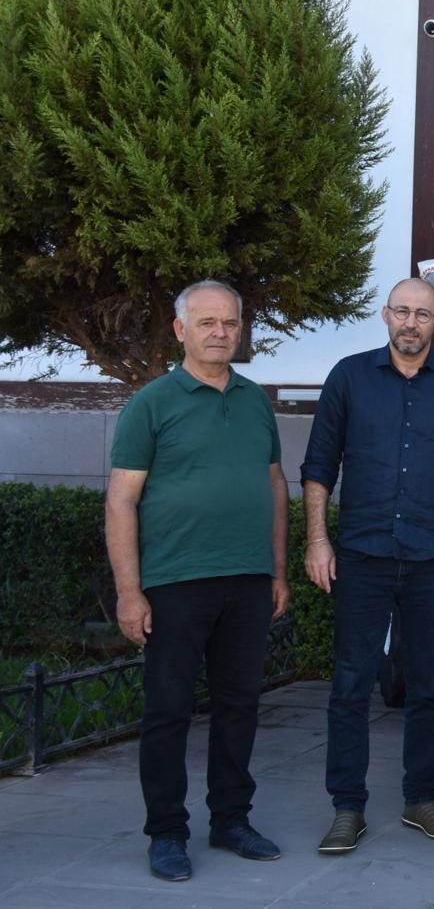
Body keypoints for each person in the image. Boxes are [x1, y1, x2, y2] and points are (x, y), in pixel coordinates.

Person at [301, 277, 434, 854]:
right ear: (384, 315)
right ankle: (347, 809)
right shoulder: (349, 377)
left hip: (432, 558)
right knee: (349, 686)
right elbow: (319, 466)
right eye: (402, 312)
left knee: (425, 687)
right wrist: (318, 541)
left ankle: (420, 799)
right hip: (363, 557)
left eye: (422, 314)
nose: (411, 323)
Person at [106, 280, 290, 881]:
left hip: (246, 581)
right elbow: (120, 501)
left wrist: (278, 570)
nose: (220, 332)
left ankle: (231, 820)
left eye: (230, 323)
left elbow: (274, 486)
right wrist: (130, 592)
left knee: (239, 705)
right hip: (175, 582)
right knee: (169, 711)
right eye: (207, 322)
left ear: (241, 330)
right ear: (181, 330)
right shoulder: (152, 403)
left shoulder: (256, 400)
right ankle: (166, 832)